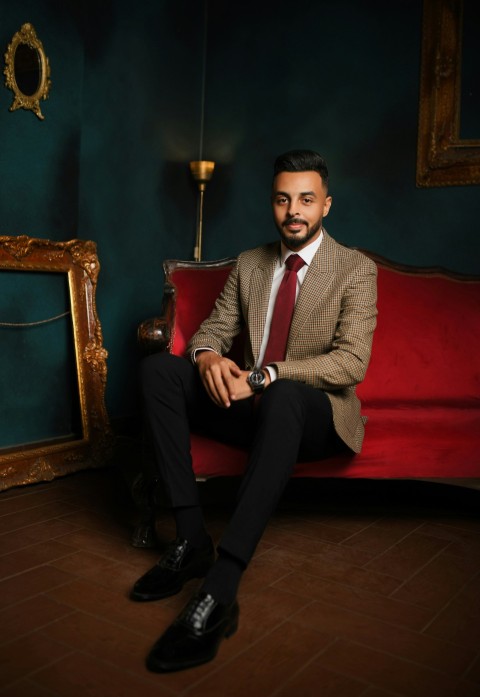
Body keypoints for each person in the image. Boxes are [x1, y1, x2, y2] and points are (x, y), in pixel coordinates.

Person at [130, 149, 378, 673]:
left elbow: (351, 362)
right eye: (284, 199)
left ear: (326, 205)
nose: (294, 210)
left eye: (306, 200)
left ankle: (221, 586)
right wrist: (209, 357)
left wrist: (267, 375)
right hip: (247, 407)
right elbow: (212, 331)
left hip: (316, 416)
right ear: (272, 203)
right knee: (159, 371)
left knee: (284, 396)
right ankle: (192, 539)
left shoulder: (355, 269)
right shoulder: (249, 263)